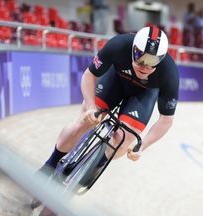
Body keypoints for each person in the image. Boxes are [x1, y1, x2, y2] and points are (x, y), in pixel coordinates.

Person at [39, 26, 179, 183]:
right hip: (115, 80)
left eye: (152, 61)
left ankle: (90, 169)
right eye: (141, 58)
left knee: (123, 139)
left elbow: (166, 120)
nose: (145, 67)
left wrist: (143, 145)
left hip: (143, 94)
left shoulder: (169, 72)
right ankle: (49, 165)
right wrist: (91, 107)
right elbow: (89, 75)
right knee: (83, 121)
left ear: (161, 58)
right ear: (133, 49)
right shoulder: (119, 45)